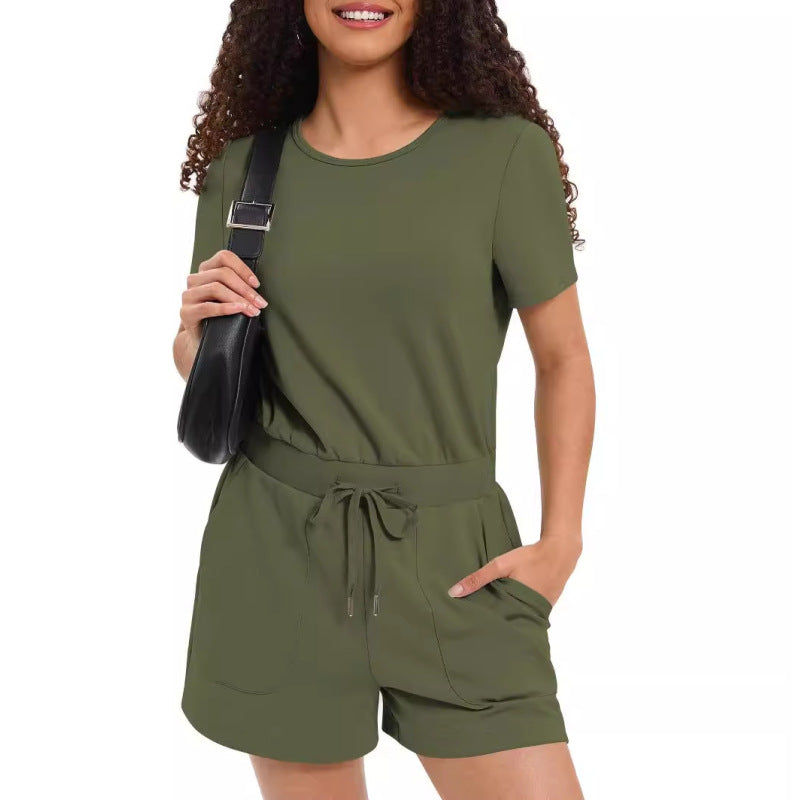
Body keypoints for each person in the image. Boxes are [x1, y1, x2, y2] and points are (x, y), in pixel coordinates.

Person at [172, 1, 595, 797]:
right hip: (278, 550)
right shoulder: (243, 170)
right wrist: (194, 333)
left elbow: (564, 358)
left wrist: (561, 540)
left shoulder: (504, 154)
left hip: (456, 563)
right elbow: (214, 363)